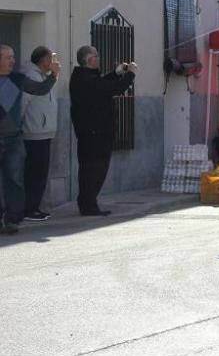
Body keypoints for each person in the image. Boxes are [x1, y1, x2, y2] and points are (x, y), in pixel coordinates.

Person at [1, 44, 60, 233]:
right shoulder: (15, 82)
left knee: (15, 180)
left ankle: (12, 219)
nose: (13, 60)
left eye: (12, 57)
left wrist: (53, 76)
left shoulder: (17, 79)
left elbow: (40, 89)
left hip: (13, 139)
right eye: (8, 57)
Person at [69, 46, 133, 217]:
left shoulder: (83, 76)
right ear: (89, 60)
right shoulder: (86, 80)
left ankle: (88, 203)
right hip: (94, 133)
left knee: (92, 169)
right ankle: (88, 205)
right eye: (96, 56)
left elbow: (103, 83)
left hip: (93, 132)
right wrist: (130, 74)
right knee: (94, 170)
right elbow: (113, 89)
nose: (98, 58)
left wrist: (116, 72)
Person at [21, 46, 59, 222]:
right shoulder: (31, 75)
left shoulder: (44, 76)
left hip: (44, 132)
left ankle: (34, 207)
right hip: (34, 132)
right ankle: (29, 209)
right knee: (34, 173)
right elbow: (23, 105)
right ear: (43, 61)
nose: (54, 62)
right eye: (51, 59)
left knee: (41, 173)